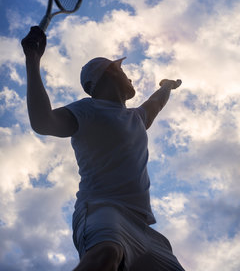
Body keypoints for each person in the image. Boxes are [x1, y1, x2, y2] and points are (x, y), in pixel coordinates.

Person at [21, 26, 185, 271]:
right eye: (122, 70)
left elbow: (155, 103)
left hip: (144, 228)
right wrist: (32, 59)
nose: (128, 77)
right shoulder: (87, 109)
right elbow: (43, 122)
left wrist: (167, 87)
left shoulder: (136, 117)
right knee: (105, 256)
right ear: (108, 74)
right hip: (102, 209)